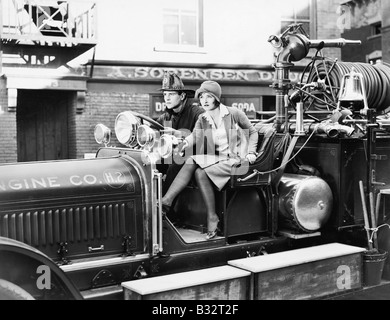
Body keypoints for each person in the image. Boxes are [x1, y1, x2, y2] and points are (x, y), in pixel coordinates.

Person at [161, 80, 258, 240]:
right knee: (194, 163)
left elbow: (252, 132)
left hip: (237, 160)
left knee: (199, 171)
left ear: (216, 98)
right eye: (201, 97)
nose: (204, 100)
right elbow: (195, 136)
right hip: (218, 158)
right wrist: (184, 143)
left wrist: (251, 152)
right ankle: (168, 202)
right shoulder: (203, 118)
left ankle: (207, 215)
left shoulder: (233, 113)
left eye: (208, 96)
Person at [156, 71, 204, 193]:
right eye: (165, 94)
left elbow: (204, 138)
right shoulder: (165, 118)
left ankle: (164, 207)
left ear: (182, 96)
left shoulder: (197, 113)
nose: (166, 98)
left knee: (174, 164)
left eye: (171, 94)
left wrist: (178, 134)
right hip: (173, 157)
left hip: (196, 158)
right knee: (152, 162)